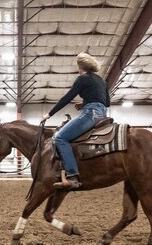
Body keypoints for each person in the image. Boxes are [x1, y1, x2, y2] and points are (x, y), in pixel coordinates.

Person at [41, 52, 110, 189]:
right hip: (103, 114)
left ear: (80, 67)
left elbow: (67, 98)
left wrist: (49, 114)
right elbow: (106, 102)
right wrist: (85, 103)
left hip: (91, 113)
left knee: (60, 138)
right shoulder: (102, 81)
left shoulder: (82, 79)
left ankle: (72, 175)